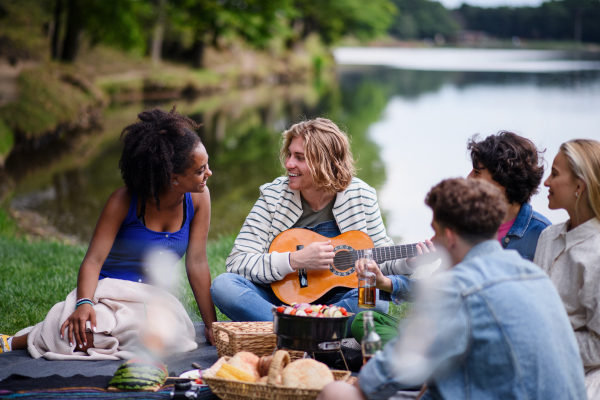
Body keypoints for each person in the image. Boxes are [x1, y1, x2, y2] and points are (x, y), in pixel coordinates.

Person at [318, 178, 586, 400]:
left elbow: (386, 373)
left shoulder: (458, 288)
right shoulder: (533, 275)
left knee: (335, 392)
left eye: (435, 231)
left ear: (448, 236)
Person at [0, 107, 217, 358]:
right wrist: (84, 302)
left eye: (206, 165)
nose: (209, 174)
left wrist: (211, 326)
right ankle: (17, 342)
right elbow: (93, 260)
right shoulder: (123, 201)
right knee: (82, 334)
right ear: (173, 177)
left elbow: (198, 263)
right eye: (201, 170)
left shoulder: (199, 200)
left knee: (169, 340)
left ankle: (53, 333)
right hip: (109, 293)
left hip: (154, 299)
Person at [210, 118, 433, 325]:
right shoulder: (273, 196)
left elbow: (377, 259)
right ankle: (315, 329)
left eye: (299, 157)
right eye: (289, 155)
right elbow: (238, 262)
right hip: (278, 298)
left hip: (341, 298)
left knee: (372, 297)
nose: (288, 164)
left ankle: (289, 329)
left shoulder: (362, 196)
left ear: (325, 162)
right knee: (224, 286)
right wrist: (294, 260)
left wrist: (408, 263)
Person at [533, 139, 600, 399]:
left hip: (584, 378)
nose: (546, 182)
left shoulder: (596, 253)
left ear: (579, 187)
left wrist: (545, 347)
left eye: (554, 174)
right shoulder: (548, 237)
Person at [467, 131, 551, 260]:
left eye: (477, 172)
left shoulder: (543, 233)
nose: (469, 178)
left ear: (501, 180)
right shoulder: (465, 225)